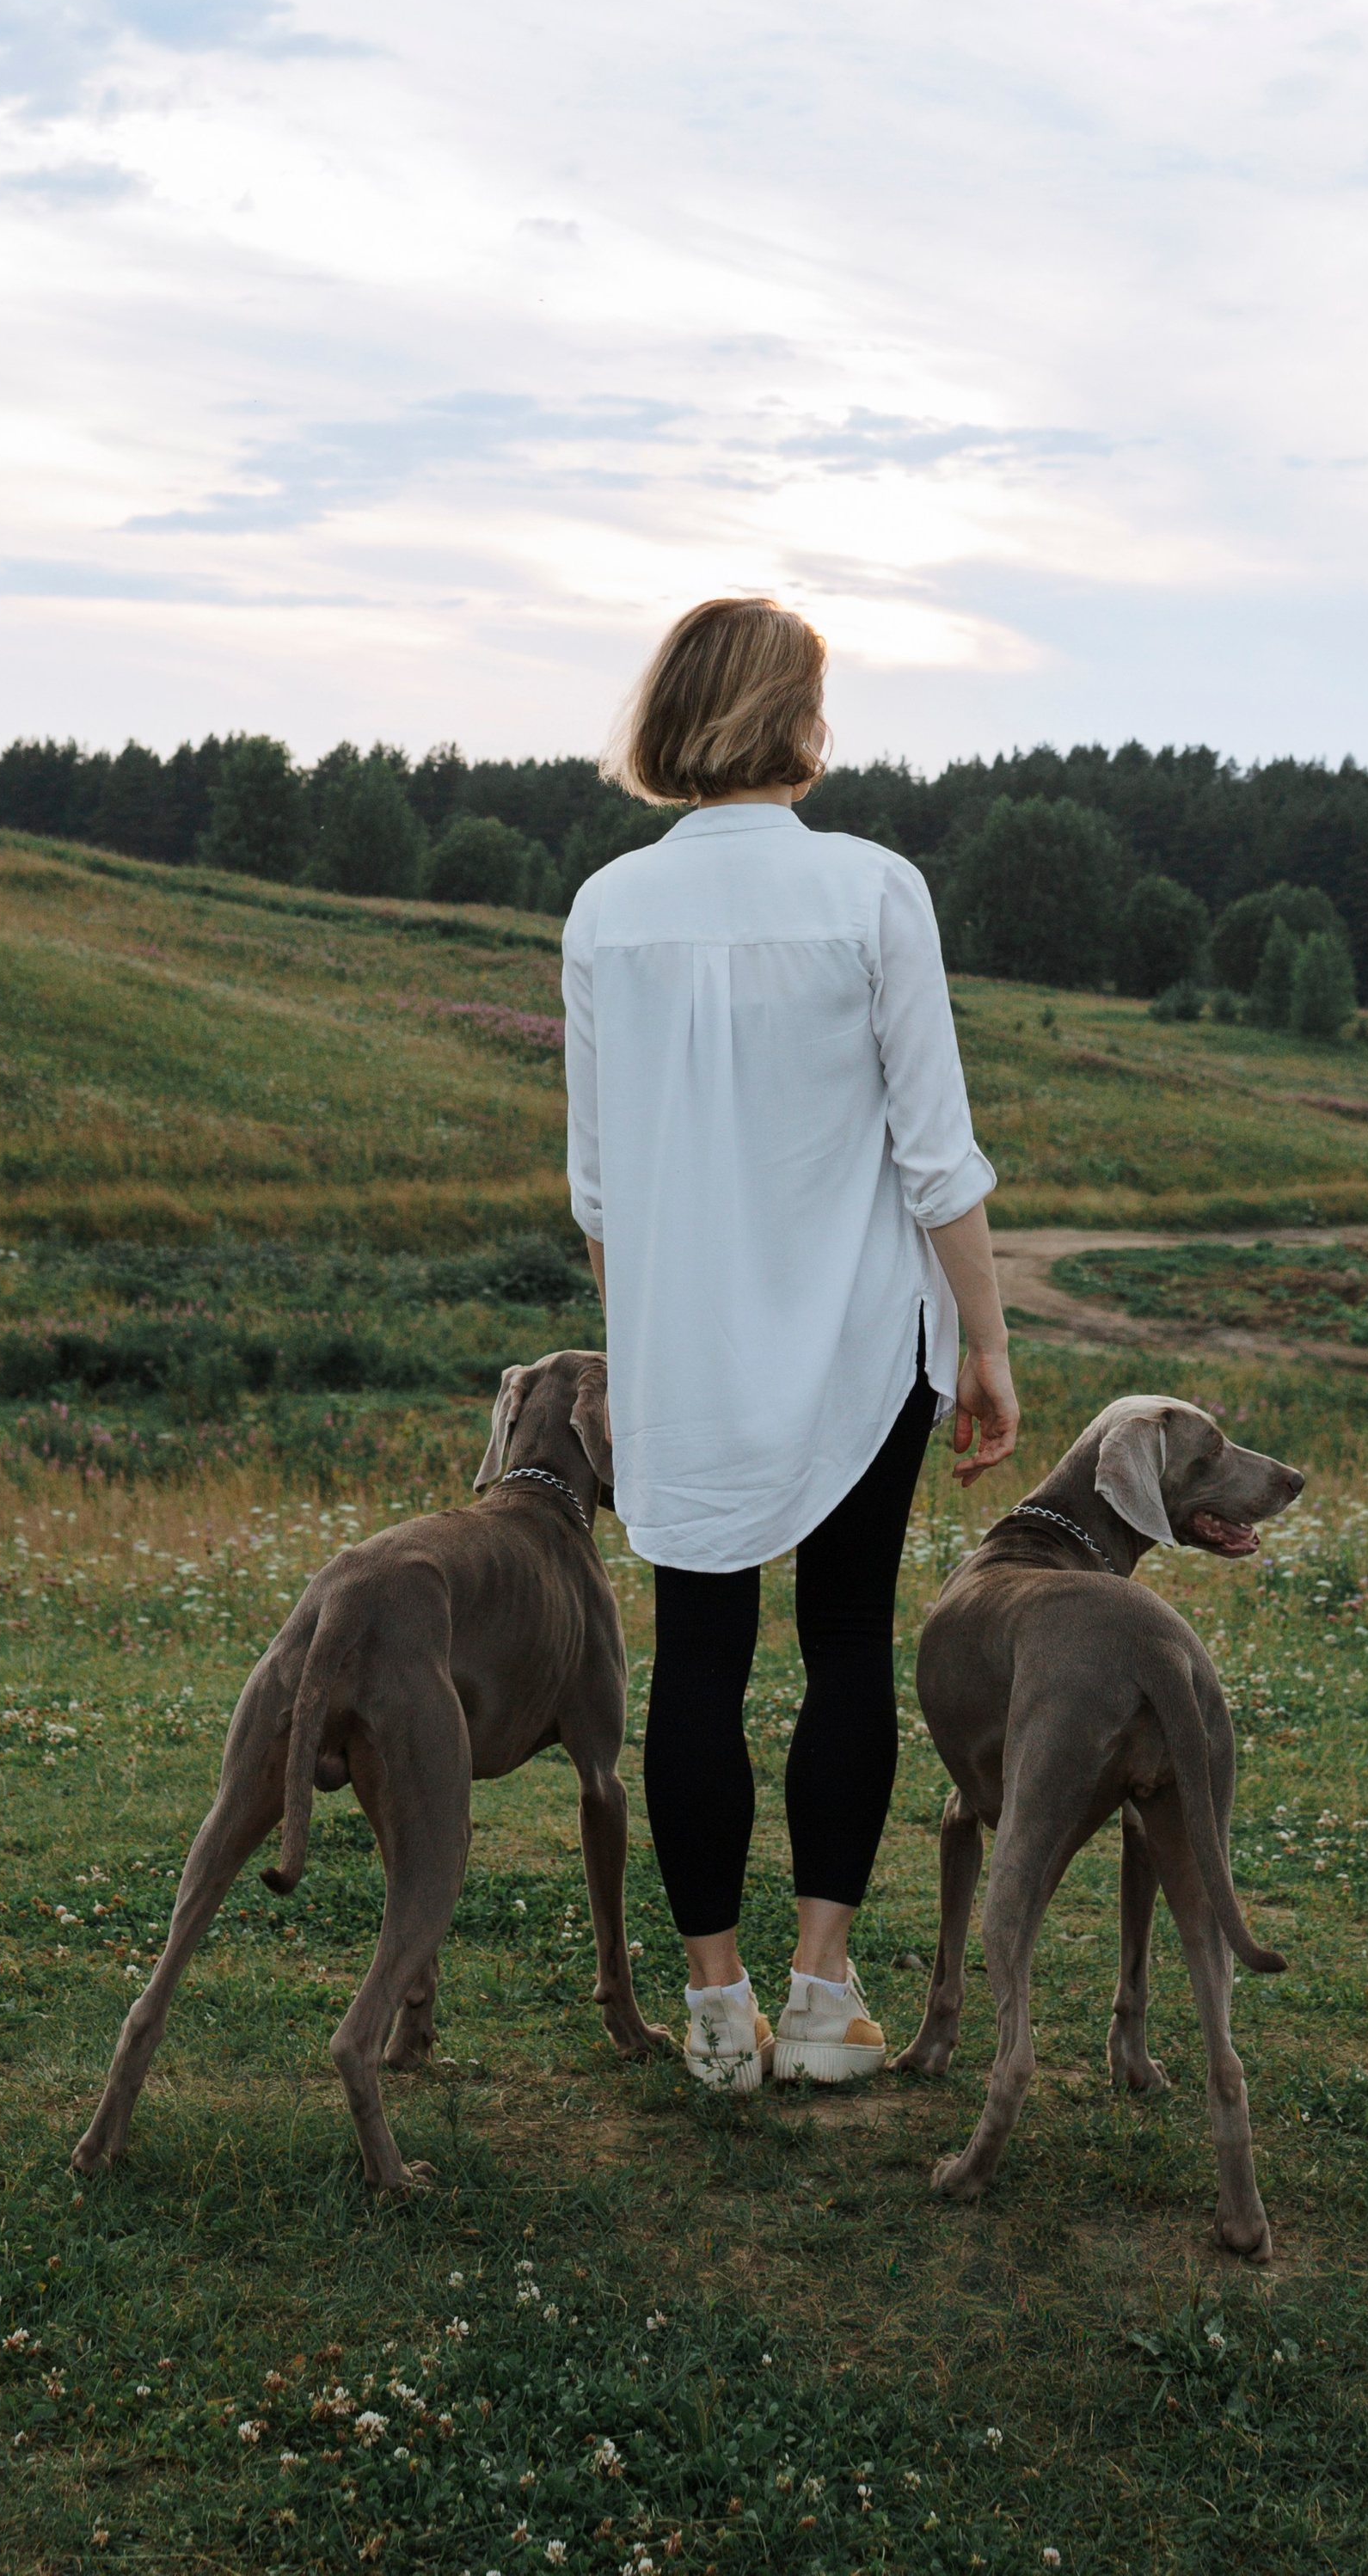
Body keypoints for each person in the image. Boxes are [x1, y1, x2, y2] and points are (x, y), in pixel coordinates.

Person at [561, 597, 1019, 2091]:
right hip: (857, 1348)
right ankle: (819, 1998)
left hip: (680, 1355)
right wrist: (989, 1345)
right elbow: (935, 1157)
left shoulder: (605, 909)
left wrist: (634, 1355)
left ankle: (714, 2012)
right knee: (842, 1646)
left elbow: (601, 1191)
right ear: (798, 723)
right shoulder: (876, 891)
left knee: (695, 1656)